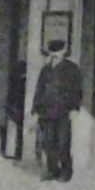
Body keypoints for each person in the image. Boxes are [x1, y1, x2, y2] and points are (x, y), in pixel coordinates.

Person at [32, 39, 83, 182]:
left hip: (63, 111)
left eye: (58, 53)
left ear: (63, 53)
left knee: (63, 142)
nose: (55, 56)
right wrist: (36, 109)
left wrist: (74, 108)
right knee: (48, 143)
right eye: (52, 53)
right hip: (46, 111)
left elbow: (77, 90)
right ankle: (52, 170)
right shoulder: (46, 70)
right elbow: (39, 90)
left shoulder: (72, 69)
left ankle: (66, 172)